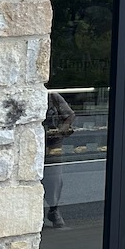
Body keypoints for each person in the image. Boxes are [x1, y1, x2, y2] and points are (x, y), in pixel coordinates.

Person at [43, 90, 75, 228]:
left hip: (53, 143)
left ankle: (54, 209)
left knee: (54, 178)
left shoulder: (53, 96)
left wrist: (61, 129)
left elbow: (70, 115)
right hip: (31, 142)